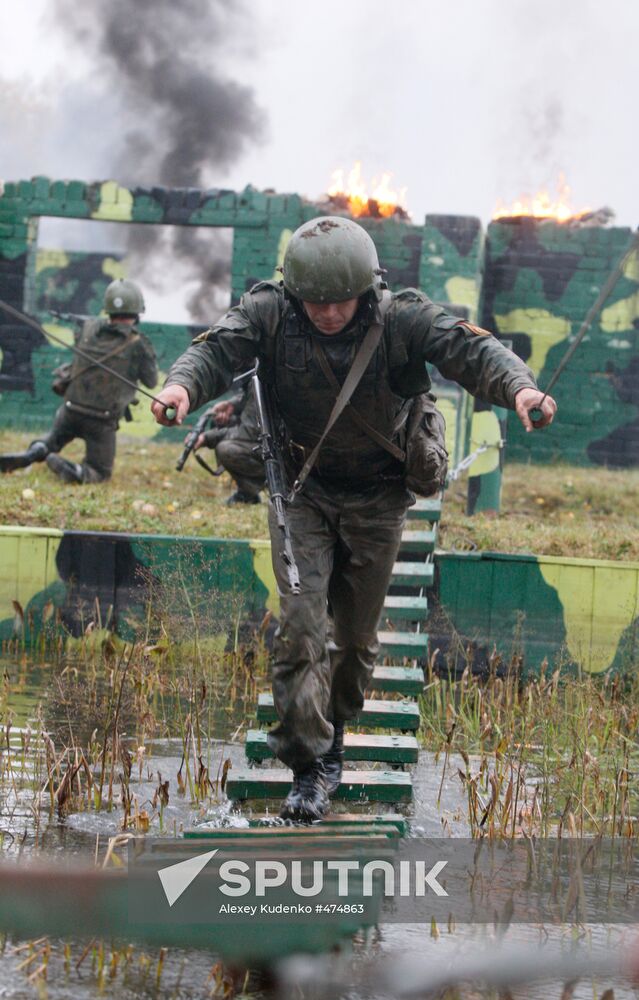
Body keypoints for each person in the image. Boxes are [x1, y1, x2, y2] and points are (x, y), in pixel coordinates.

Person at [151, 216, 557, 823]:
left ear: (365, 291)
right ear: (295, 294)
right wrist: (181, 388)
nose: (327, 313)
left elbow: (471, 349)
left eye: (340, 302)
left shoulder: (402, 319)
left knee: (357, 643)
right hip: (302, 495)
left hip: (378, 498)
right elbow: (215, 348)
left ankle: (335, 729)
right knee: (300, 630)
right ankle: (309, 766)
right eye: (314, 302)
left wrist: (521, 389)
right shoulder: (270, 312)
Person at [0, 279, 158, 483]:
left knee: (51, 441)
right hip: (101, 420)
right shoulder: (139, 344)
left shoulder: (87, 328)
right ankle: (76, 471)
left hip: (70, 409)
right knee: (100, 472)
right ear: (137, 311)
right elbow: (152, 382)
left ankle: (36, 452)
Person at [192, 379, 265, 504]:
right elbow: (251, 397)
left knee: (225, 449)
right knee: (219, 422)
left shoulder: (266, 373)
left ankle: (273, 484)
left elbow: (248, 433)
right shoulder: (259, 375)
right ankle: (247, 490)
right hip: (267, 440)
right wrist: (232, 405)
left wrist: (207, 438)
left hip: (281, 451)